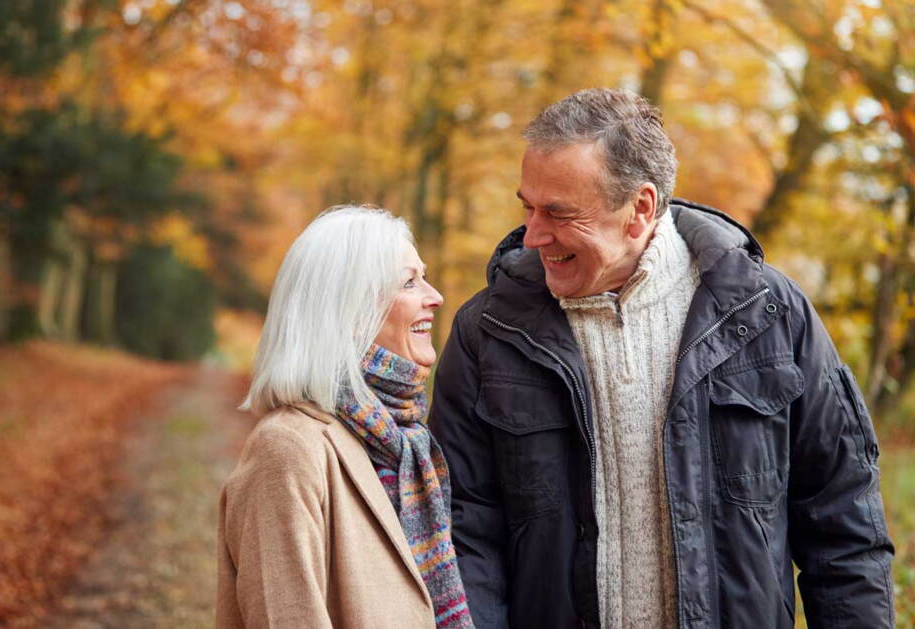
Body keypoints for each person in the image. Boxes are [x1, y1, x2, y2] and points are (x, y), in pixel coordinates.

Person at [429, 89, 894, 629]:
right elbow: (464, 533)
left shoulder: (770, 315)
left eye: (557, 212)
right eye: (527, 207)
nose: (532, 235)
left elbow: (844, 529)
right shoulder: (488, 331)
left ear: (640, 208)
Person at [217, 206, 474, 628]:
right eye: (409, 282)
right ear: (350, 312)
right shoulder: (288, 449)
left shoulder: (405, 441)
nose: (435, 296)